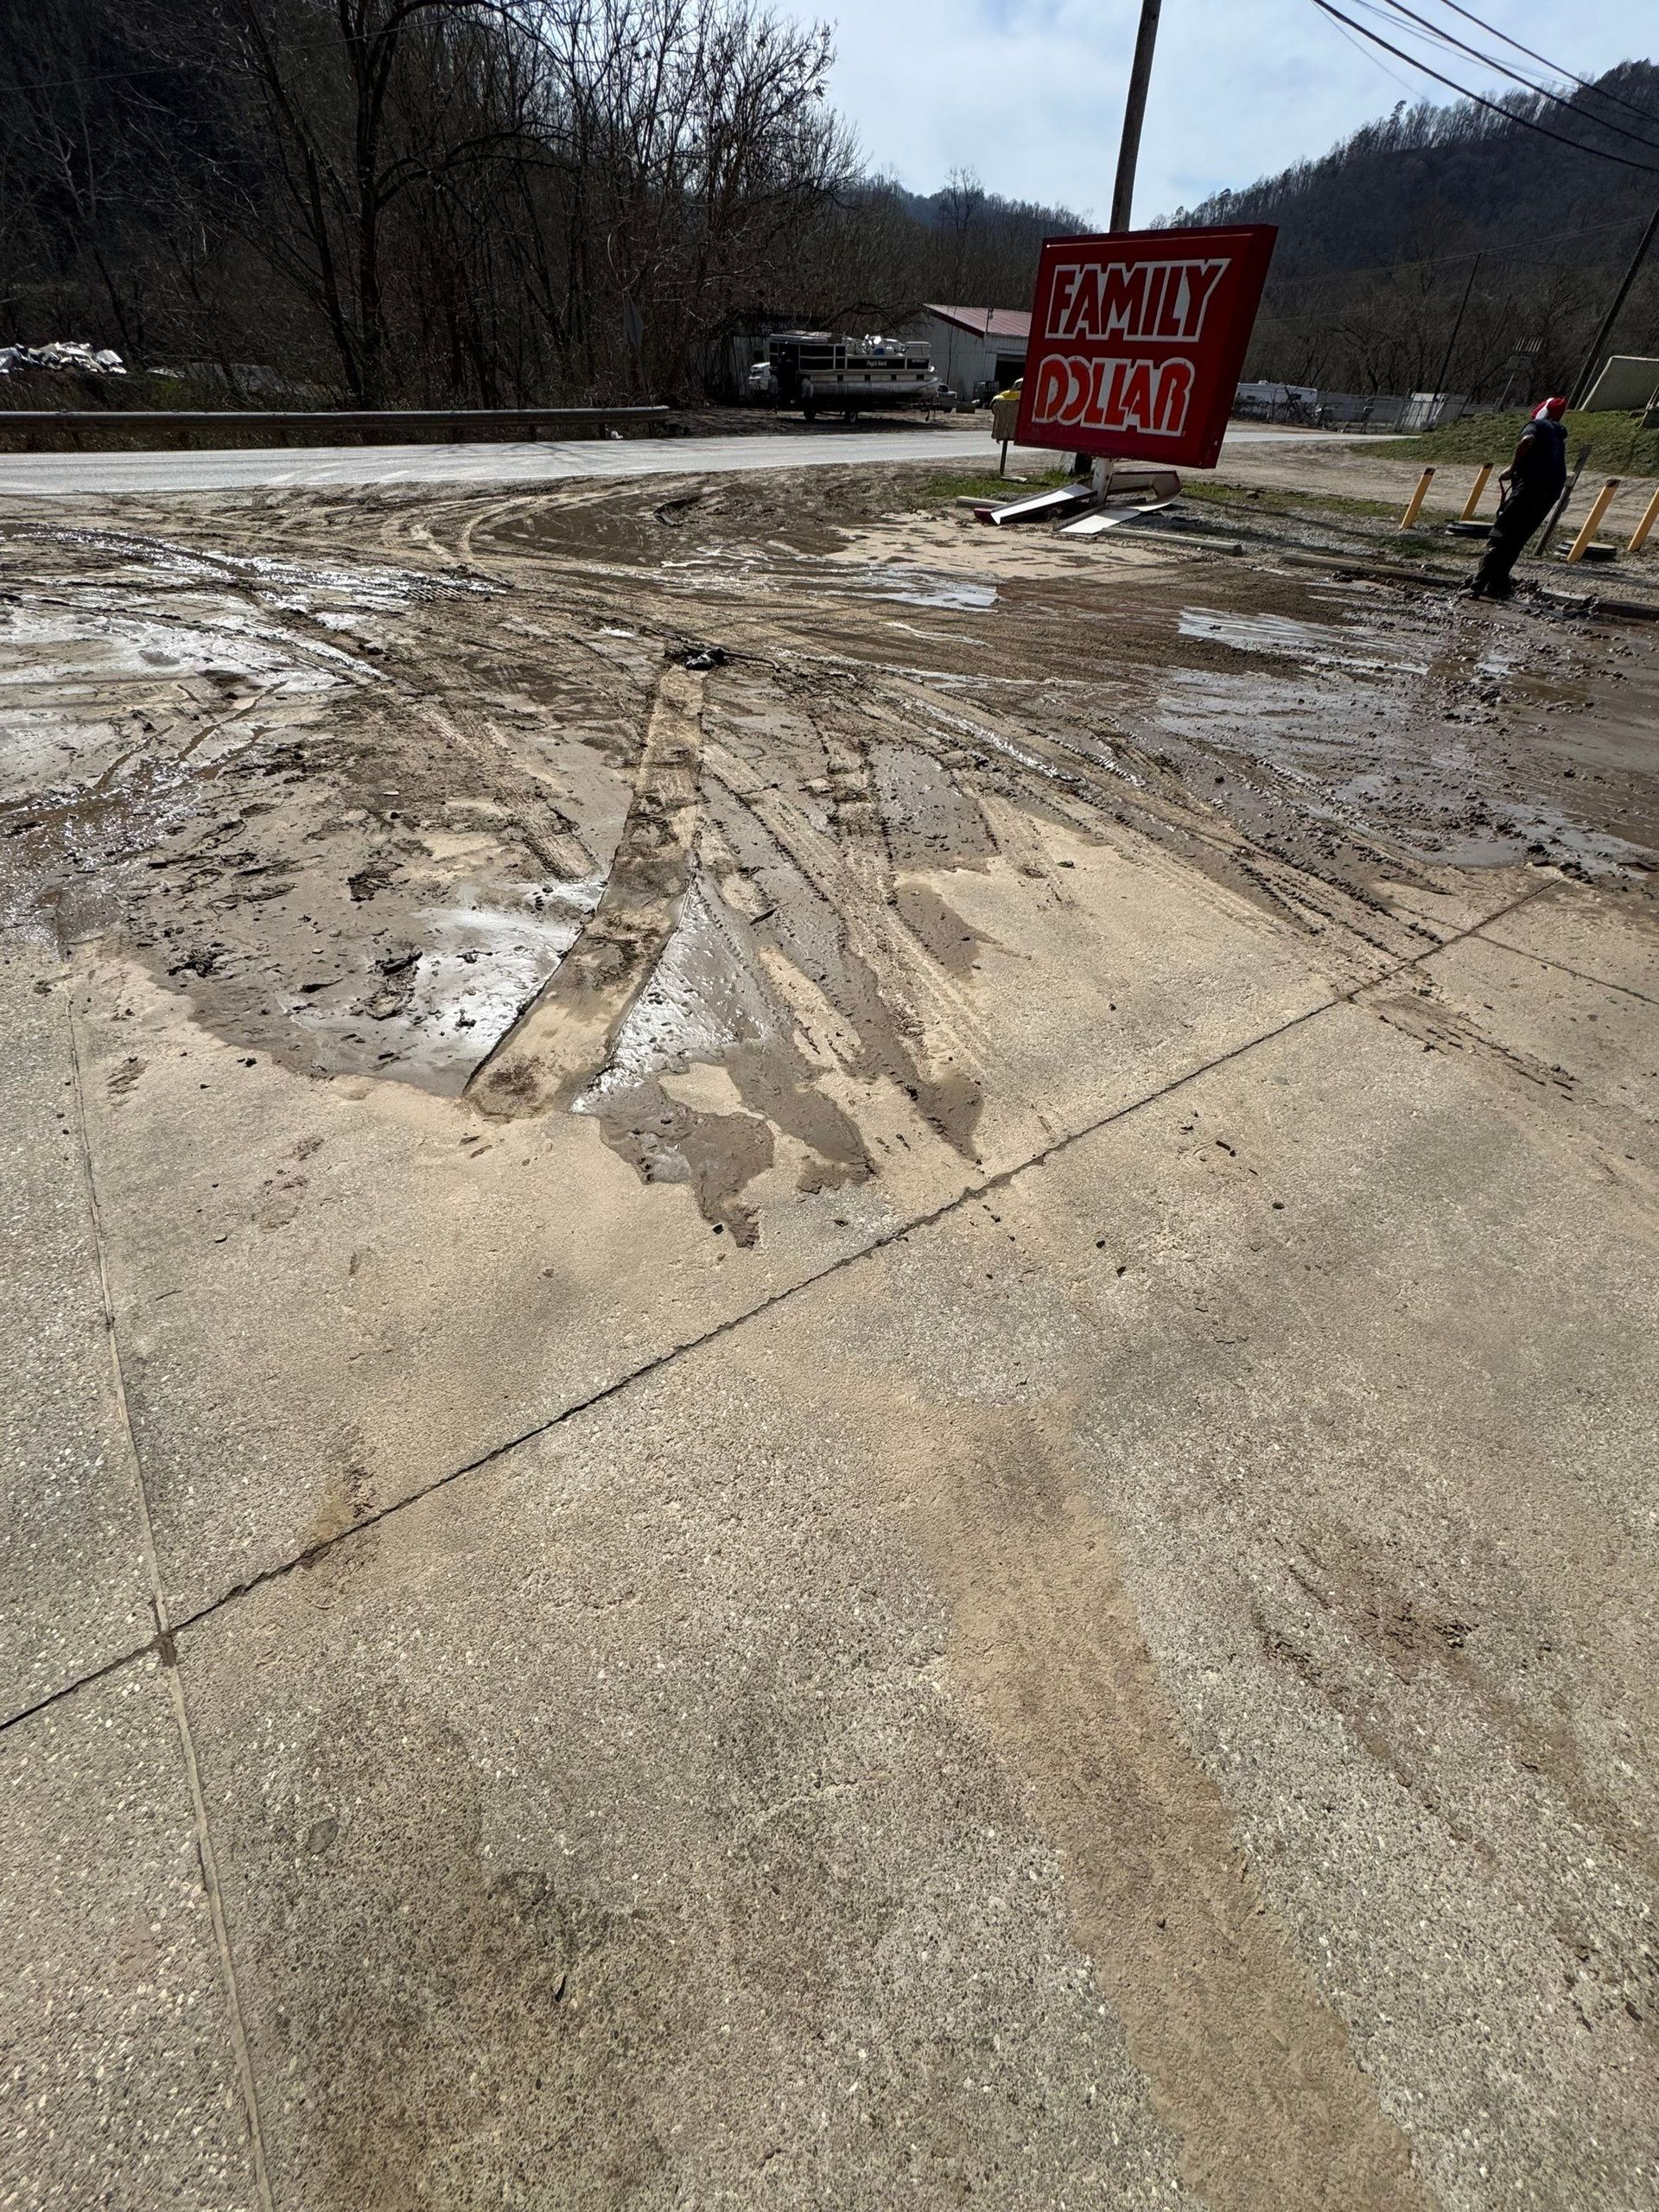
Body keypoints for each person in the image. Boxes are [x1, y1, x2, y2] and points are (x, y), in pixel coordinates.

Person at [1465, 396, 1568, 599]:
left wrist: (1513, 468)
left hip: (1530, 488)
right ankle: (1499, 587)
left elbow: (1527, 440)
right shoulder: (1558, 436)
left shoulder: (1536, 425)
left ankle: (1477, 586)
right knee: (1517, 540)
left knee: (1501, 534)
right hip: (1551, 492)